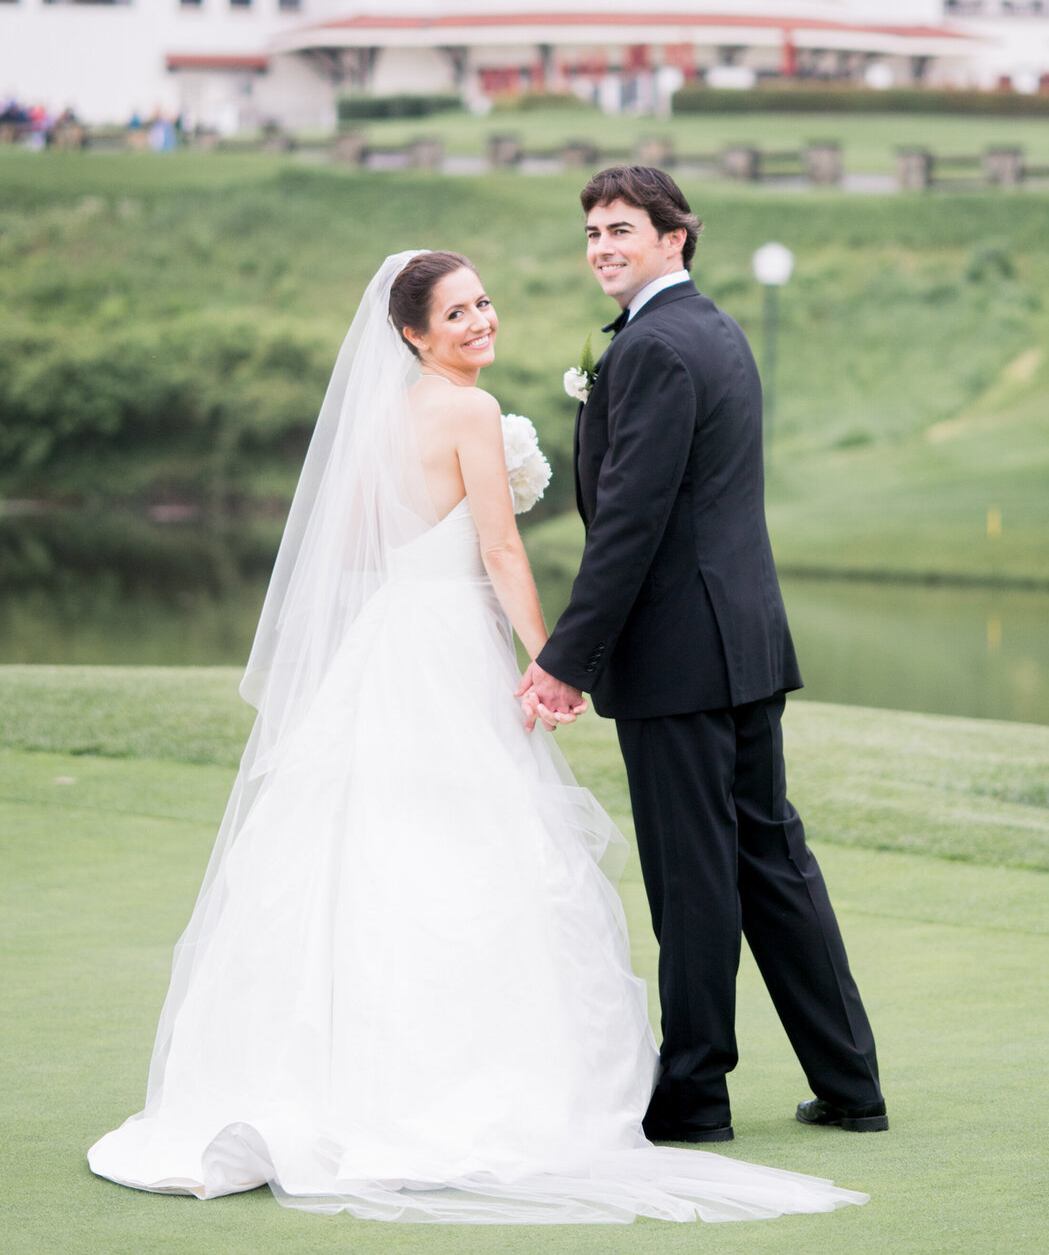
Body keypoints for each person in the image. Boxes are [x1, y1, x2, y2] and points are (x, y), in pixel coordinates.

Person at [88, 250, 866, 1225]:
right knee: (470, 856)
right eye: (458, 313)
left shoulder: (379, 420)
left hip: (386, 647)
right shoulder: (472, 415)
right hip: (450, 648)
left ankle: (329, 1083)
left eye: (484, 303)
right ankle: (463, 1090)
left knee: (364, 858)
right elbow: (500, 550)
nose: (481, 321)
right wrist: (552, 662)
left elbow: (351, 553)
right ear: (413, 333)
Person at [520, 168, 887, 1144]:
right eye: (593, 230)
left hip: (681, 658)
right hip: (745, 647)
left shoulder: (653, 350)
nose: (602, 245)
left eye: (623, 229)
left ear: (675, 237)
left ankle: (693, 1096)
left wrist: (566, 657)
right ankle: (851, 1084)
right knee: (771, 861)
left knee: (694, 878)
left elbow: (631, 524)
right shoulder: (715, 332)